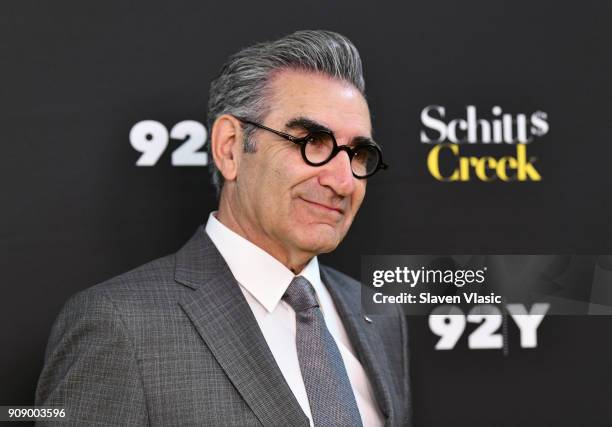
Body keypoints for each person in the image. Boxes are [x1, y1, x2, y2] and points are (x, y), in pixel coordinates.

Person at [35, 30, 411, 426]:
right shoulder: (120, 326)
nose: (343, 181)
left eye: (359, 154)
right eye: (313, 142)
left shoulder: (378, 315)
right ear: (230, 147)